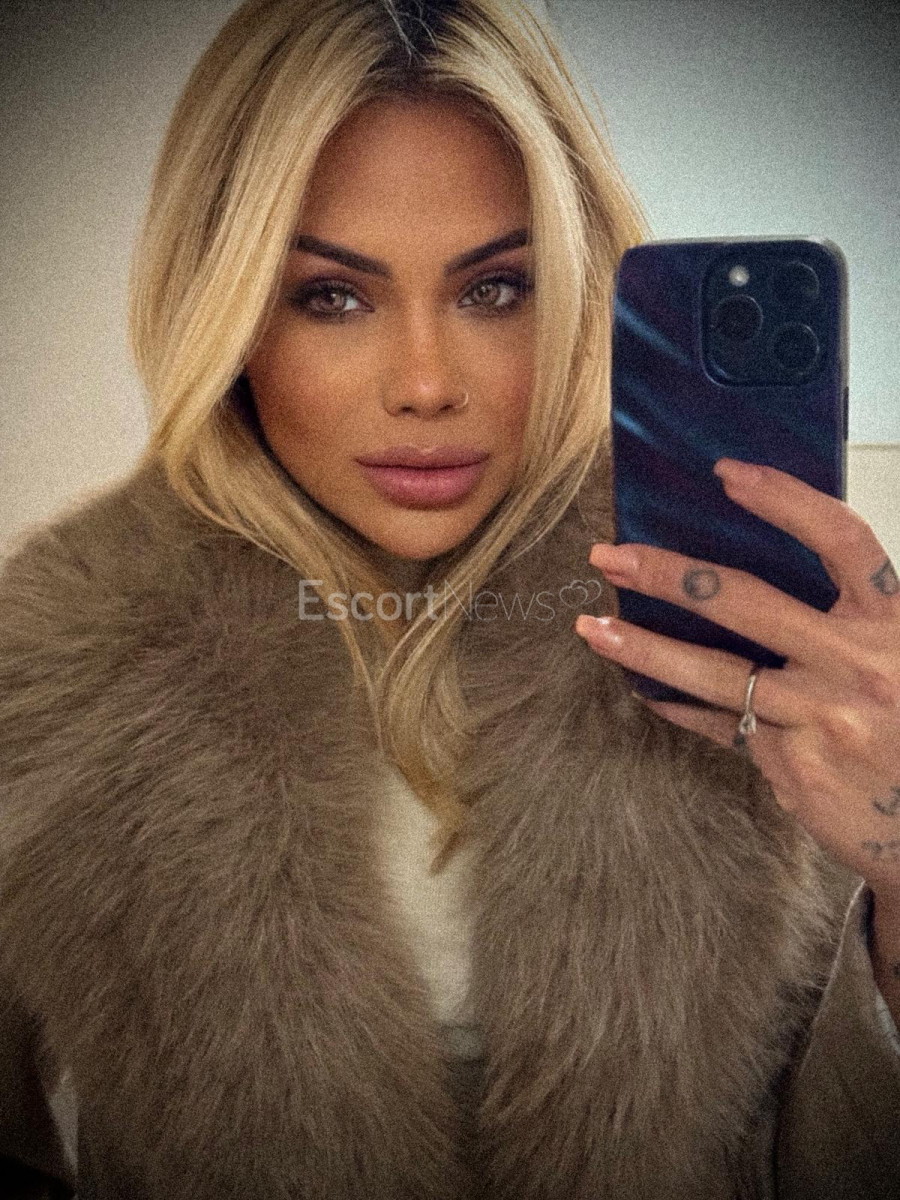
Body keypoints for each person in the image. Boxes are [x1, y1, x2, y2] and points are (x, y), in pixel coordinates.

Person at [0, 1, 898, 1196]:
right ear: (224, 309)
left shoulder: (749, 626)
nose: (424, 385)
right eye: (332, 295)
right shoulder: (52, 664)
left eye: (496, 289)